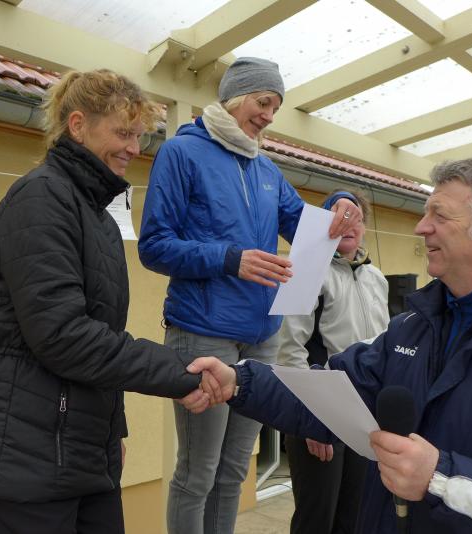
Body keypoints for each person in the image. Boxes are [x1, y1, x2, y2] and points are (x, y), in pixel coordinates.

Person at [182, 158, 472, 534]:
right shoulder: (412, 328)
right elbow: (329, 390)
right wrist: (239, 381)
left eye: (439, 215)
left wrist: (441, 481)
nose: (421, 228)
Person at [0, 69, 214, 534]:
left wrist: (112, 434)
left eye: (139, 136)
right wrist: (180, 373)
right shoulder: (41, 197)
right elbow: (64, 336)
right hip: (20, 460)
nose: (135, 148)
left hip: (79, 452)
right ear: (77, 125)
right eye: (123, 133)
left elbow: (102, 336)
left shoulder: (98, 217)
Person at [138, 57, 362, 534]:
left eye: (275, 107)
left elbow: (304, 226)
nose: (268, 116)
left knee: (233, 472)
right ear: (234, 98)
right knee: (198, 473)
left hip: (261, 339)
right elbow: (154, 246)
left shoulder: (266, 169)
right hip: (203, 332)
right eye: (263, 102)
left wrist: (337, 208)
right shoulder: (181, 153)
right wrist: (229, 259)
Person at [278, 189, 389, 534]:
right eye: (342, 217)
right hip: (321, 411)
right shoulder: (305, 272)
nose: (350, 225)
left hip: (364, 414)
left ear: (365, 227)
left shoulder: (377, 278)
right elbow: (288, 350)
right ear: (326, 225)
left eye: (357, 218)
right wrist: (312, 418)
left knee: (353, 519)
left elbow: (384, 346)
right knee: (316, 520)